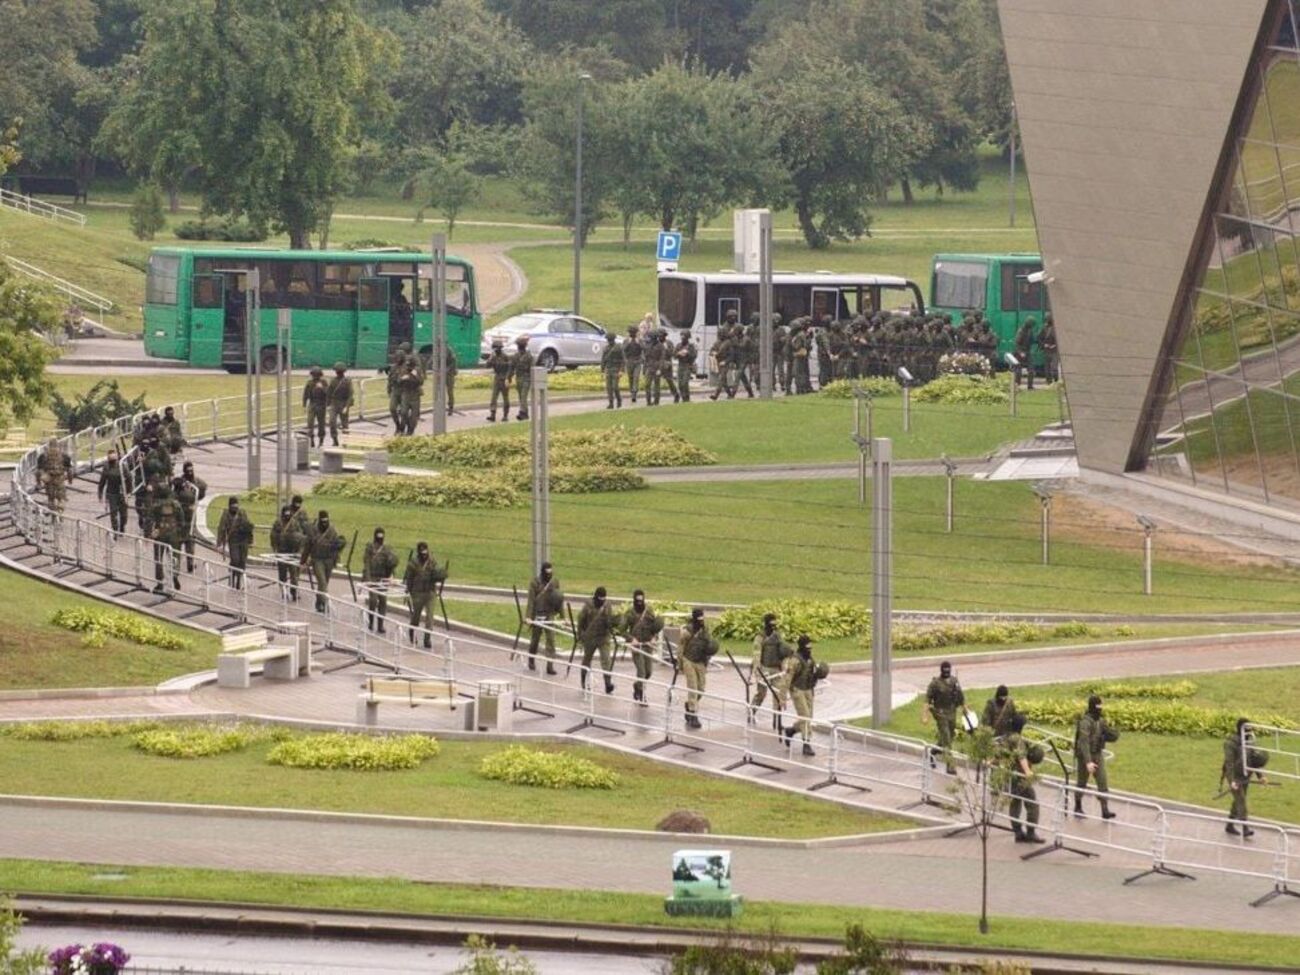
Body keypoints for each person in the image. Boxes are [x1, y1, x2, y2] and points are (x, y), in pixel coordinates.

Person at [780, 636, 829, 756]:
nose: (809, 650)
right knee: (805, 716)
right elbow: (786, 679)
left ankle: (791, 731)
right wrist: (782, 698)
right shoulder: (795, 661)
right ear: (802, 647)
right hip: (797, 690)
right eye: (807, 648)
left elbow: (811, 672)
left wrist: (818, 674)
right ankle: (806, 744)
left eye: (810, 648)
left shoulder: (810, 659)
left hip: (808, 690)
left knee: (808, 718)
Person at [1073, 694, 1118, 819]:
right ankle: (1077, 806)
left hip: (1097, 754)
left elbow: (1109, 733)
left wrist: (1113, 733)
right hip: (1085, 757)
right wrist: (1088, 762)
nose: (1100, 710)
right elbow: (1083, 742)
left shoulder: (1100, 721)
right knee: (1081, 782)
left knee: (1102, 781)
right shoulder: (1085, 723)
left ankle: (1105, 809)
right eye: (1098, 707)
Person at [1003, 713, 1046, 844]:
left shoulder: (1007, 737)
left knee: (1015, 803)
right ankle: (1031, 832)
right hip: (1019, 776)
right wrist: (1027, 771)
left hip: (1009, 774)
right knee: (1032, 803)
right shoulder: (1017, 740)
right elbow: (1021, 756)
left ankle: (1017, 832)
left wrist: (990, 762)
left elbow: (1000, 753)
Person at [1223, 717, 1267, 837]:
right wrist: (1232, 780)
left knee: (1238, 800)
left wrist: (1260, 776)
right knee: (1241, 800)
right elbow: (1229, 763)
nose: (1250, 732)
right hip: (1235, 776)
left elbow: (1254, 760)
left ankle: (1229, 824)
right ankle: (1245, 828)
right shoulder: (1231, 743)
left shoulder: (1249, 741)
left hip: (1245, 774)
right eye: (1247, 729)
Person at [677, 607, 719, 729]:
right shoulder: (687, 632)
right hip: (688, 660)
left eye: (702, 618)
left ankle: (689, 705)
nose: (701, 620)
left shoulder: (706, 631)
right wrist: (680, 664)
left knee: (700, 689)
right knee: (693, 688)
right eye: (699, 618)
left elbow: (709, 644)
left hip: (701, 662)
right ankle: (693, 714)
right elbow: (680, 648)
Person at [619, 589, 663, 704]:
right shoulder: (629, 613)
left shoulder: (649, 611)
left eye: (641, 600)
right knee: (641, 671)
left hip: (648, 645)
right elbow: (622, 630)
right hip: (637, 646)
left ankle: (637, 685)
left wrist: (654, 638)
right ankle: (642, 695)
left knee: (648, 672)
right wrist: (631, 639)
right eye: (637, 600)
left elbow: (655, 627)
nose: (640, 602)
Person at [923, 660, 965, 774]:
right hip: (940, 713)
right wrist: (925, 716)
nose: (946, 672)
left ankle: (934, 751)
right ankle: (950, 766)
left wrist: (965, 709)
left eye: (948, 670)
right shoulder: (935, 683)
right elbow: (927, 700)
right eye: (944, 670)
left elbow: (961, 697)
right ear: (941, 670)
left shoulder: (954, 681)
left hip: (952, 712)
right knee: (946, 738)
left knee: (949, 737)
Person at [403, 541, 447, 647]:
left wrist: (441, 575)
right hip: (417, 593)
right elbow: (409, 579)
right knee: (416, 616)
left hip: (430, 593)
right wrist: (408, 591)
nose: (424, 554)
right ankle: (412, 632)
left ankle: (427, 639)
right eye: (422, 552)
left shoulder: (432, 562)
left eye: (425, 552)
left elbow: (437, 573)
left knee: (430, 617)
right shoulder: (413, 563)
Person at [750, 613, 793, 716]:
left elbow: (783, 651)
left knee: (778, 693)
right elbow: (757, 654)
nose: (773, 627)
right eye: (771, 624)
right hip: (764, 668)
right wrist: (757, 671)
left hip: (777, 669)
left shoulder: (778, 636)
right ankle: (752, 709)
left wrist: (785, 666)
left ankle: (777, 717)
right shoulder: (760, 637)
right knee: (761, 693)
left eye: (774, 624)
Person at [301, 509, 344, 612]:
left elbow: (337, 544)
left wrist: (338, 547)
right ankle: (325, 604)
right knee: (322, 582)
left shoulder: (332, 530)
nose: (324, 523)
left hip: (329, 560)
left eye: (326, 521)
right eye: (323, 521)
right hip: (317, 559)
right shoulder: (313, 531)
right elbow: (308, 546)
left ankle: (319, 601)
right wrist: (303, 561)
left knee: (324, 583)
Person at [576, 586, 617, 693]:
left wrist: (612, 625)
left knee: (606, 660)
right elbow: (581, 620)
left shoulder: (608, 605)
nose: (602, 601)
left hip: (603, 637)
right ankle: (584, 681)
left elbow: (610, 621)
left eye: (604, 599)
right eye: (600, 599)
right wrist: (580, 635)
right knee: (587, 659)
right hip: (590, 637)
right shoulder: (588, 606)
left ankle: (608, 683)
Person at [525, 561, 563, 674]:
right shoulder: (535, 583)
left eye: (550, 573)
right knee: (535, 639)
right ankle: (531, 659)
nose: (549, 575)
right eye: (547, 573)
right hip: (538, 614)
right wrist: (528, 617)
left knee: (551, 640)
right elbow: (531, 601)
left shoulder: (554, 582)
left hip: (549, 614)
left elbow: (559, 600)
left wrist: (563, 616)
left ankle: (550, 665)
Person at [148, 479, 184, 594]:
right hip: (173, 534)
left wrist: (149, 533)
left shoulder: (156, 505)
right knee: (175, 557)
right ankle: (174, 575)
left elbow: (149, 520)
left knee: (158, 558)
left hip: (160, 534)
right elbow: (182, 520)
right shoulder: (176, 504)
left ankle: (159, 583)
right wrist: (179, 531)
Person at [362, 527, 399, 634]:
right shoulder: (369, 547)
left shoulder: (387, 549)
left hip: (382, 578)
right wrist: (368, 578)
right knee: (373, 600)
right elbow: (367, 563)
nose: (380, 540)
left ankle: (380, 625)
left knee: (383, 601)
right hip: (372, 577)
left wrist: (391, 563)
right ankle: (371, 622)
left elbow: (393, 562)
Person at [171, 462, 207, 572]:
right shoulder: (180, 483)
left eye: (191, 470)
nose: (190, 472)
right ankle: (176, 564)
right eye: (188, 470)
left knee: (190, 542)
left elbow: (202, 488)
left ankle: (190, 563)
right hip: (181, 517)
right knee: (178, 542)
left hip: (190, 518)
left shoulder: (195, 483)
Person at [216, 496, 253, 590]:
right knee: (235, 560)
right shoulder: (226, 515)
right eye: (233, 505)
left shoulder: (242, 513)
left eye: (236, 505)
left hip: (243, 540)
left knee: (242, 562)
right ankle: (232, 575)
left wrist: (251, 540)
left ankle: (238, 581)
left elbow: (249, 527)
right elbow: (221, 529)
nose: (235, 507)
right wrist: (219, 543)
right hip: (233, 540)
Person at [269, 504, 304, 601]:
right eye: (286, 514)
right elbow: (273, 536)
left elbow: (301, 537)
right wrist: (275, 549)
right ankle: (283, 591)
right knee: (282, 573)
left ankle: (294, 591)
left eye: (289, 514)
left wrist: (299, 550)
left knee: (294, 574)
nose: (288, 516)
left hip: (292, 552)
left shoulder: (295, 524)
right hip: (281, 552)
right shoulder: (278, 523)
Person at [97, 448, 129, 536]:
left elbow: (129, 478)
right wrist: (100, 494)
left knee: (124, 514)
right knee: (113, 513)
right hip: (111, 493)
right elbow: (102, 481)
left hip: (122, 492)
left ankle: (122, 526)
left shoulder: (122, 466)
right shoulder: (106, 467)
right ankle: (115, 530)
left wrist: (128, 492)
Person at [37, 439, 72, 513]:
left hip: (49, 480)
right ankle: (60, 511)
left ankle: (53, 516)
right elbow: (69, 470)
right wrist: (70, 480)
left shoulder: (43, 456)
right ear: (58, 445)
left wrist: (39, 482)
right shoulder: (64, 456)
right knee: (61, 498)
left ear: (49, 445)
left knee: (50, 499)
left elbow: (38, 470)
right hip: (60, 480)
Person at [327, 362, 354, 447]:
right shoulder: (333, 381)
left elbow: (350, 394)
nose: (338, 373)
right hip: (334, 403)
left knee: (345, 424)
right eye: (337, 371)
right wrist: (328, 405)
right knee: (332, 422)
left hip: (343, 403)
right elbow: (329, 393)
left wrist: (346, 406)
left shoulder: (347, 381)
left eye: (339, 371)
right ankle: (335, 439)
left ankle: (346, 441)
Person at [397, 354, 425, 435]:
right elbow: (399, 380)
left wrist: (413, 375)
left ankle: (410, 431)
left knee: (414, 416)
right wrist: (403, 378)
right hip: (406, 393)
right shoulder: (403, 369)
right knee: (404, 412)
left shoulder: (417, 370)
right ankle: (403, 428)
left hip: (415, 394)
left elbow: (421, 381)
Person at [485, 339, 512, 422]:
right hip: (497, 378)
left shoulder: (506, 357)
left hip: (504, 378)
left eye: (496, 348)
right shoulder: (494, 357)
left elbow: (510, 369)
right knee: (494, 397)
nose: (495, 350)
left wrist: (508, 378)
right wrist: (490, 357)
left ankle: (505, 415)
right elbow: (487, 366)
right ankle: (492, 414)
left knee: (505, 398)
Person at [302, 366, 329, 447]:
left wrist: (322, 388)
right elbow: (305, 394)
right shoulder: (309, 383)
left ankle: (321, 440)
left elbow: (328, 393)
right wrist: (304, 404)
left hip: (321, 404)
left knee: (321, 423)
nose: (315, 377)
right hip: (312, 404)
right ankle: (311, 440)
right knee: (310, 423)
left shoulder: (324, 382)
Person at [387, 343, 411, 428]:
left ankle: (405, 425)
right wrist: (389, 390)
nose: (397, 359)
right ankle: (398, 426)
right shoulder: (393, 367)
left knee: (404, 411)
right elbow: (389, 379)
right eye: (396, 357)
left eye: (399, 357)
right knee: (392, 409)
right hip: (395, 390)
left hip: (405, 390)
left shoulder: (408, 367)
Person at [512, 335, 534, 421]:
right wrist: (509, 377)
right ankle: (525, 413)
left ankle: (522, 412)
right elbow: (512, 367)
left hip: (526, 378)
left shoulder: (529, 356)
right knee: (521, 396)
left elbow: (532, 368)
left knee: (524, 396)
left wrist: (532, 379)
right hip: (519, 377)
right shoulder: (516, 356)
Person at [600, 333, 624, 409]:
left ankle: (619, 399)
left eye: (610, 340)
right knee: (609, 387)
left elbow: (623, 359)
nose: (609, 341)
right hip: (608, 369)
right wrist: (602, 370)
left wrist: (621, 370)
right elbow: (603, 360)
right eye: (608, 340)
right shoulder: (606, 348)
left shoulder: (618, 347)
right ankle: (611, 403)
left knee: (615, 387)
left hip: (616, 369)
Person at [643, 329, 666, 406]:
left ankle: (656, 401)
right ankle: (648, 402)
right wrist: (644, 368)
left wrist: (660, 369)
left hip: (656, 367)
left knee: (656, 385)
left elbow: (662, 359)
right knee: (647, 385)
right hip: (649, 367)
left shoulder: (661, 346)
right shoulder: (647, 345)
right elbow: (646, 358)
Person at [1013, 317, 1036, 390]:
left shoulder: (1030, 331)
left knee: (1031, 370)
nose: (1032, 327)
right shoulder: (1021, 331)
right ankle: (1017, 385)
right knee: (1018, 370)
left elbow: (1033, 340)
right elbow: (1017, 343)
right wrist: (1020, 352)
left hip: (1027, 351)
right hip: (1020, 352)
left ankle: (1030, 386)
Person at [674, 330, 697, 403]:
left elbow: (694, 356)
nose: (682, 337)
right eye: (681, 336)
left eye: (684, 336)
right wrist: (679, 354)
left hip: (687, 365)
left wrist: (687, 353)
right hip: (680, 365)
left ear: (687, 337)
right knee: (680, 384)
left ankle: (687, 398)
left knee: (685, 382)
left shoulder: (691, 346)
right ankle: (684, 398)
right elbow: (674, 355)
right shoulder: (678, 345)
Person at [624, 324, 644, 404]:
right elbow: (623, 350)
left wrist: (638, 343)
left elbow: (644, 348)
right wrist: (628, 343)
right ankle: (632, 391)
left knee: (636, 378)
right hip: (629, 361)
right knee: (630, 378)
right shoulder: (626, 341)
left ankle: (634, 394)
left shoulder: (639, 340)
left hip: (637, 361)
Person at [1039, 313, 1059, 384]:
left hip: (1054, 350)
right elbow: (1039, 338)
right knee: (1047, 367)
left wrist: (1055, 345)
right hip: (1047, 350)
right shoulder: (1044, 328)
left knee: (1054, 367)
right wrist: (1044, 345)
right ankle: (1049, 382)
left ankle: (1056, 381)